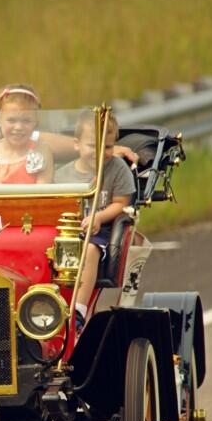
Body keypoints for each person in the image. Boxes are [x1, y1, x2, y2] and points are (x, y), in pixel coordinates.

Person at [55, 110, 135, 332]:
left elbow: (121, 202)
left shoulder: (117, 169)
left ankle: (78, 310)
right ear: (77, 145)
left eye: (108, 147)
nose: (101, 153)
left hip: (99, 232)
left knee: (90, 250)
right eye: (93, 146)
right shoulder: (62, 175)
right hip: (67, 231)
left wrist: (98, 217)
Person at [0, 84, 54, 184]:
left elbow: (43, 193)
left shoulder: (41, 151)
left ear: (36, 121)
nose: (19, 127)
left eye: (26, 121)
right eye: (11, 120)